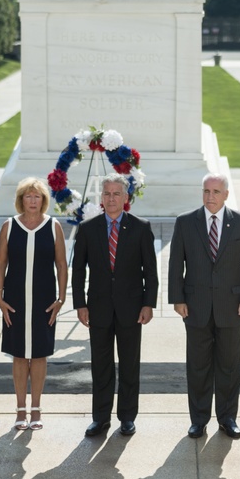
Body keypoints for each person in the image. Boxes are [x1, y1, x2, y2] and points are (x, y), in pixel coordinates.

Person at [168, 172, 240, 440]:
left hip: (232, 307)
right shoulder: (186, 222)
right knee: (198, 365)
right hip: (195, 307)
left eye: (216, 192)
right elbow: (176, 265)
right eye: (206, 192)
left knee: (229, 365)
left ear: (226, 195)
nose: (210, 197)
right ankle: (198, 420)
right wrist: (178, 299)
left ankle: (228, 418)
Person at [72, 172, 158, 438]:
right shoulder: (88, 229)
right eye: (107, 194)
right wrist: (80, 304)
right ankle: (100, 418)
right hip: (97, 309)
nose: (111, 198)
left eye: (116, 194)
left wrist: (148, 304)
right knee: (101, 365)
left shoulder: (141, 228)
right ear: (101, 198)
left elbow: (150, 272)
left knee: (130, 364)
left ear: (126, 198)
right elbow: (77, 271)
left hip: (132, 310)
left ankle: (127, 417)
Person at [0, 177, 68, 431]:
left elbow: (61, 264)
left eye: (37, 196)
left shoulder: (54, 226)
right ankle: (20, 409)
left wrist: (61, 298)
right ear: (21, 200)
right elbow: (1, 263)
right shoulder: (9, 226)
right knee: (18, 355)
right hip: (15, 300)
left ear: (43, 200)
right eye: (28, 196)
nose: (33, 201)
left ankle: (36, 408)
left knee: (38, 354)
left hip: (44, 301)